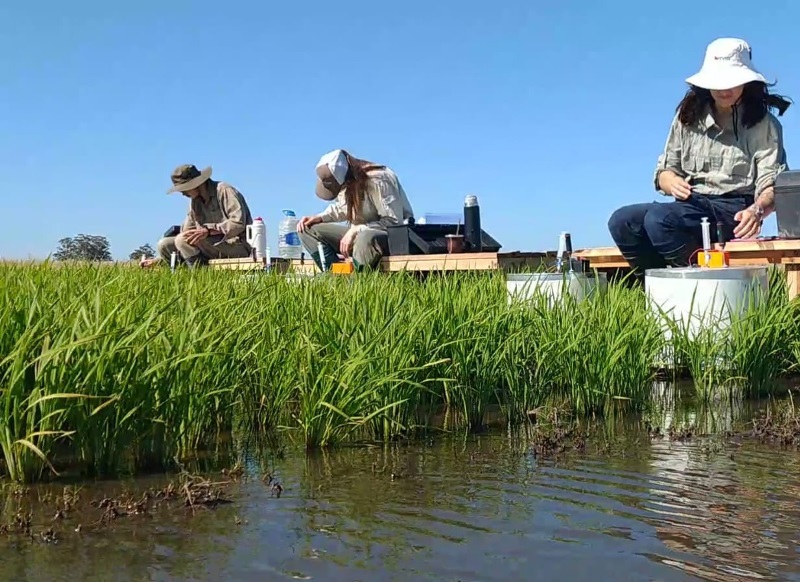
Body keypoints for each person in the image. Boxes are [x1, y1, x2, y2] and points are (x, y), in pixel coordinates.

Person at [607, 38, 791, 280]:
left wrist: (756, 210)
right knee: (622, 220)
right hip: (689, 204)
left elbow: (771, 183)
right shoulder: (686, 118)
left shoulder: (764, 125)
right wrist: (669, 180)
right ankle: (655, 287)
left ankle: (710, 284)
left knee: (659, 220)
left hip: (733, 210)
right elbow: (665, 170)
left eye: (733, 81)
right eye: (718, 81)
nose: (726, 89)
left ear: (747, 82)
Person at [297, 149, 414, 271]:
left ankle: (359, 283)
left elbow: (394, 222)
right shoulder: (346, 181)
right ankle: (334, 276)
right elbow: (342, 208)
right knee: (306, 229)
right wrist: (319, 218)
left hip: (393, 238)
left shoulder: (379, 179)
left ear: (345, 178)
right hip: (359, 236)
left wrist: (356, 230)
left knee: (364, 237)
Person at [141, 164, 253, 268]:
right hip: (209, 246)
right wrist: (158, 260)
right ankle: (184, 275)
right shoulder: (194, 202)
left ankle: (199, 275)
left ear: (197, 184)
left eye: (184, 188)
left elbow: (238, 223)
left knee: (182, 240)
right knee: (164, 244)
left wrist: (208, 231)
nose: (182, 193)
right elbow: (187, 231)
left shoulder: (224, 190)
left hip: (237, 245)